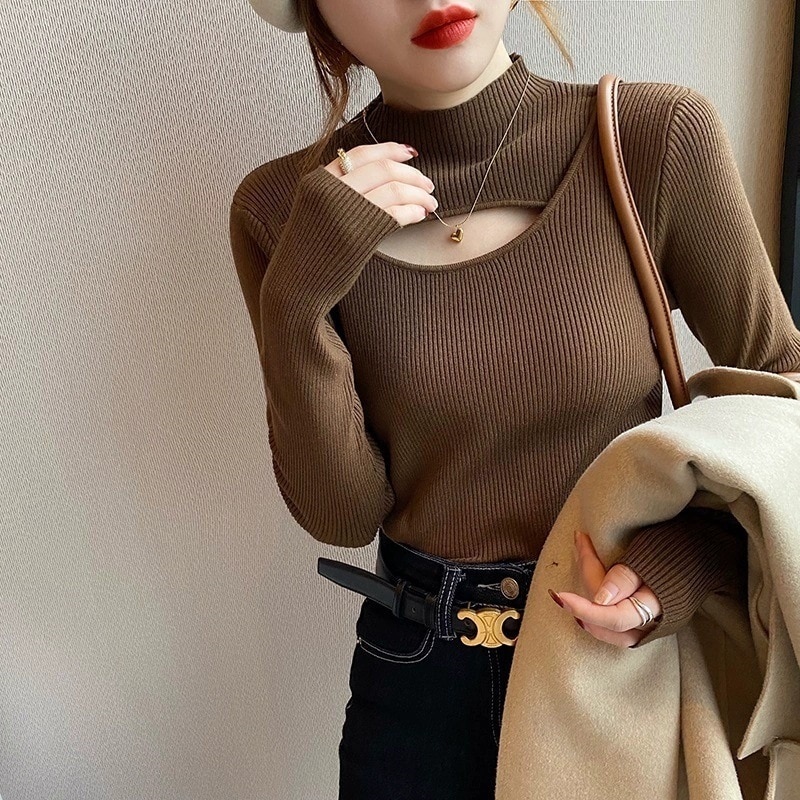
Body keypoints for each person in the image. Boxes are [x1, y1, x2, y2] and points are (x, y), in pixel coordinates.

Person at [229, 1, 800, 797]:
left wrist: (689, 559)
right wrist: (297, 304)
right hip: (413, 685)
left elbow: (785, 401)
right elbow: (344, 514)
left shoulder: (653, 138)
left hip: (615, 669)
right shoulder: (281, 210)